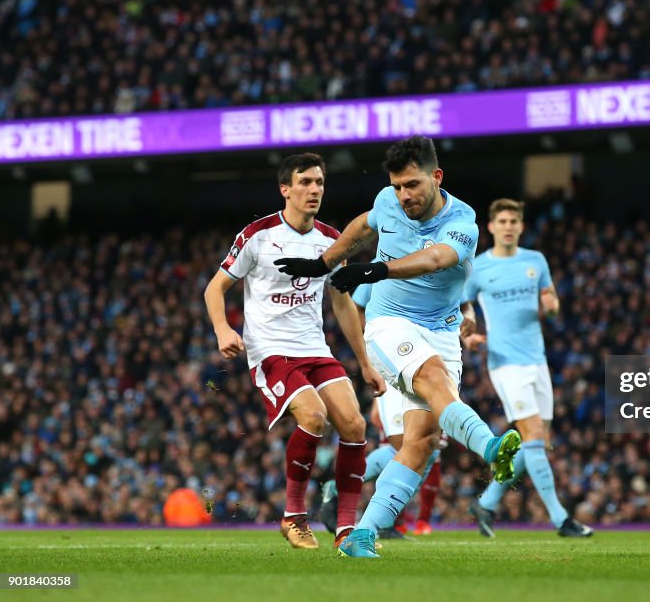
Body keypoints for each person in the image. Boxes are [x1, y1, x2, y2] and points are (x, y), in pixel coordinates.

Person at [274, 135, 520, 558]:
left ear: (436, 177)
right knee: (433, 379)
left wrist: (376, 269)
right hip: (389, 325)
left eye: (413, 185)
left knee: (420, 444)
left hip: (441, 332)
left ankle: (361, 535)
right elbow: (364, 226)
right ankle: (491, 448)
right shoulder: (388, 200)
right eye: (398, 186)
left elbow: (436, 259)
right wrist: (323, 263)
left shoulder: (463, 221)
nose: (404, 195)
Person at [203, 153, 384, 549]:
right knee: (315, 417)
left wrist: (366, 363)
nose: (314, 189)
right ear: (285, 189)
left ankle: (346, 530)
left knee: (354, 425)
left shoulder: (331, 240)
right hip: (270, 350)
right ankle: (293, 516)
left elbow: (341, 303)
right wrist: (222, 328)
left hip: (314, 348)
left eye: (319, 182)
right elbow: (214, 288)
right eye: (305, 182)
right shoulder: (258, 235)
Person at [460, 198, 593, 538]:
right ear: (491, 227)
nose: (507, 226)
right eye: (501, 221)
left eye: (513, 221)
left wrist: (551, 306)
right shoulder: (480, 267)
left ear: (520, 226)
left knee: (536, 444)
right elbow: (464, 303)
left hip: (537, 361)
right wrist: (470, 330)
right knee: (533, 437)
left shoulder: (536, 261)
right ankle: (561, 519)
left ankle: (486, 503)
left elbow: (550, 304)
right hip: (506, 364)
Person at [319, 280, 444, 539]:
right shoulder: (381, 268)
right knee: (408, 446)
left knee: (426, 447)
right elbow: (353, 309)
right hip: (393, 363)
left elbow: (458, 307)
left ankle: (348, 493)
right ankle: (381, 519)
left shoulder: (436, 260)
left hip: (427, 363)